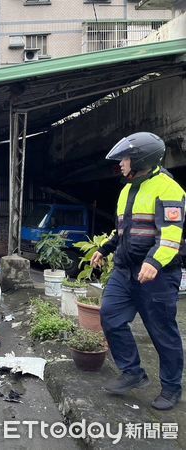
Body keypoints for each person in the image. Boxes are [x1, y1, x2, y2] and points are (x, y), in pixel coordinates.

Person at [92, 132, 185, 410]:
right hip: (125, 271)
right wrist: (105, 249)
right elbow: (124, 231)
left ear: (142, 158)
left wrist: (154, 263)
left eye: (125, 158)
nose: (121, 163)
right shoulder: (127, 190)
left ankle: (171, 388)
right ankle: (132, 372)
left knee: (162, 332)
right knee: (110, 316)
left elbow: (170, 237)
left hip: (158, 275)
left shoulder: (169, 189)